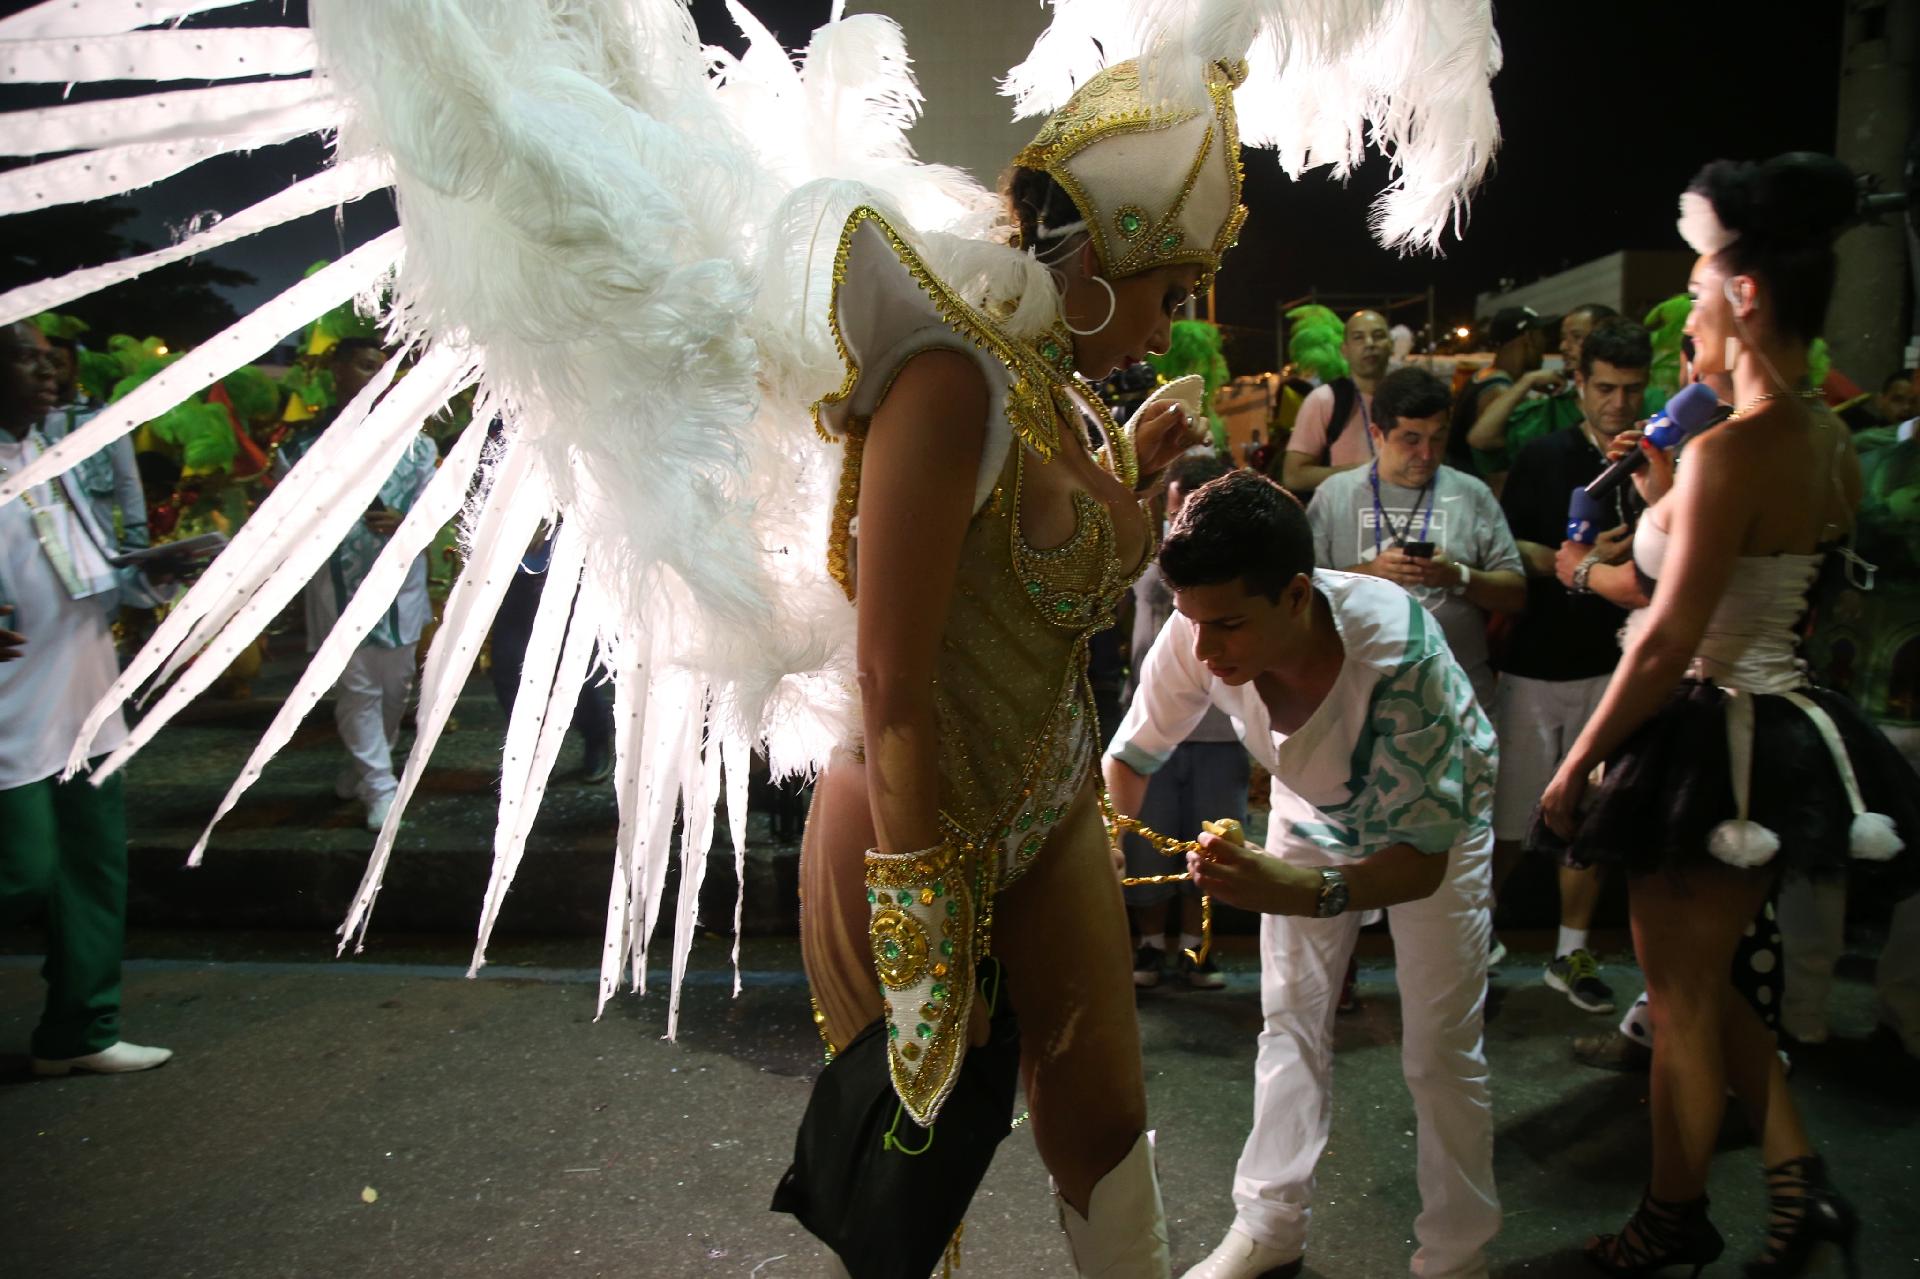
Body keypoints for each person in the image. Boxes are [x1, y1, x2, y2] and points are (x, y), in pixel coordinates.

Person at [791, 58, 1241, 1276]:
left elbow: (1045, 577)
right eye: (1168, 287)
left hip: (1046, 810)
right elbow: (891, 679)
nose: (1173, 319)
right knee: (913, 1184)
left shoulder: (1056, 392)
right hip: (903, 832)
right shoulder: (945, 373)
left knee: (1105, 1126)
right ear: (1095, 258)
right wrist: (929, 937)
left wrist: (1135, 474)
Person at [1539, 153, 1918, 1277]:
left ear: (1745, 295)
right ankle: (1801, 1193)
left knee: (1681, 1001)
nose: (1688, 311)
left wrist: (1579, 767)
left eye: (1702, 285)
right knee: (1706, 986)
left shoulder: (1728, 451)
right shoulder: (1826, 440)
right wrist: (1662, 504)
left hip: (1708, 725)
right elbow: (1763, 580)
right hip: (1782, 719)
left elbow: (1663, 639)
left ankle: (1669, 1221)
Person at [1108, 469, 1500, 1279]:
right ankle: (1271, 1221)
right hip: (1310, 807)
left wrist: (1304, 891)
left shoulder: (1399, 657)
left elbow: (1422, 861)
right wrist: (1111, 843)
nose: (1206, 652)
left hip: (1436, 832)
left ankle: (1457, 1255)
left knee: (1439, 1050)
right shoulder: (1198, 628)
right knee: (1287, 1017)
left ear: (1295, 595)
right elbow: (1133, 756)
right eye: (1192, 623)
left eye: (1227, 626)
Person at [0, 320, 180, 1075]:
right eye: (28, 358)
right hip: (10, 705)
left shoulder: (54, 452)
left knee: (93, 866)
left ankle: (81, 1029)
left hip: (85, 692)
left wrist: (156, 573)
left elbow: (88, 566)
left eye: (51, 359)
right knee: (25, 871)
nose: (51, 372)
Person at [1489, 317, 1656, 1014]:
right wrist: (1581, 562)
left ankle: (1570, 949)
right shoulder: (1544, 455)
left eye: (1633, 389)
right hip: (1536, 662)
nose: (1618, 403)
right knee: (1510, 818)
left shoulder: (1657, 459)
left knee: (1591, 815)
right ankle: (1478, 941)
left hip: (1613, 661)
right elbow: (1510, 547)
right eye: (1607, 388)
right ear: (1580, 383)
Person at [275, 339, 439, 832]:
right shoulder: (302, 449)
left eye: (387, 366)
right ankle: (381, 786)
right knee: (358, 687)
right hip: (338, 587)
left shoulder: (418, 444)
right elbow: (288, 521)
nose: (379, 374)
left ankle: (365, 766)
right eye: (368, 365)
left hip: (399, 588)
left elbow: (434, 511)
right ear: (338, 371)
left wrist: (406, 520)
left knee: (396, 688)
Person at [1306, 364, 1525, 713]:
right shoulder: (1336, 496)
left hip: (1457, 694)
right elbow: (1301, 593)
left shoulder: (1471, 493)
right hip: (1363, 695)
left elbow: (1515, 594)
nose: (1427, 454)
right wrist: (1370, 572)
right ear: (1377, 433)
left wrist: (1458, 577)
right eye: (1411, 439)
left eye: (1438, 438)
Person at [1122, 451, 1242, 990]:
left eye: (1189, 514)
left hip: (1220, 728)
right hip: (1152, 718)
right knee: (1148, 835)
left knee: (1210, 838)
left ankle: (1198, 948)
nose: (1180, 527)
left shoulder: (1237, 561)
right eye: (1173, 513)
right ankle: (1148, 947)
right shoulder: (1145, 551)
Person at [1465, 302, 1618, 480]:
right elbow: (1481, 439)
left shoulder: (1648, 402)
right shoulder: (1551, 411)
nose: (1563, 347)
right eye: (1563, 338)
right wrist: (1527, 381)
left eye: (1576, 337)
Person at [1280, 309, 1392, 496]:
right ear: (1344, 350)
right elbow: (1293, 476)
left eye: (1378, 336)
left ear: (1391, 345)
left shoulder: (1407, 398)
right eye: (1358, 338)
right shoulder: (1324, 400)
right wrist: (1365, 472)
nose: (1370, 344)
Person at [1448, 306, 1544, 476]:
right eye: (1540, 336)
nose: (1544, 344)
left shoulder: (1482, 377)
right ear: (1528, 338)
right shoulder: (1499, 391)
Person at [1837, 367, 1915, 432]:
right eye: (1898, 400)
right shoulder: (1862, 438)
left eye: (1914, 401)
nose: (1906, 407)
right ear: (1880, 401)